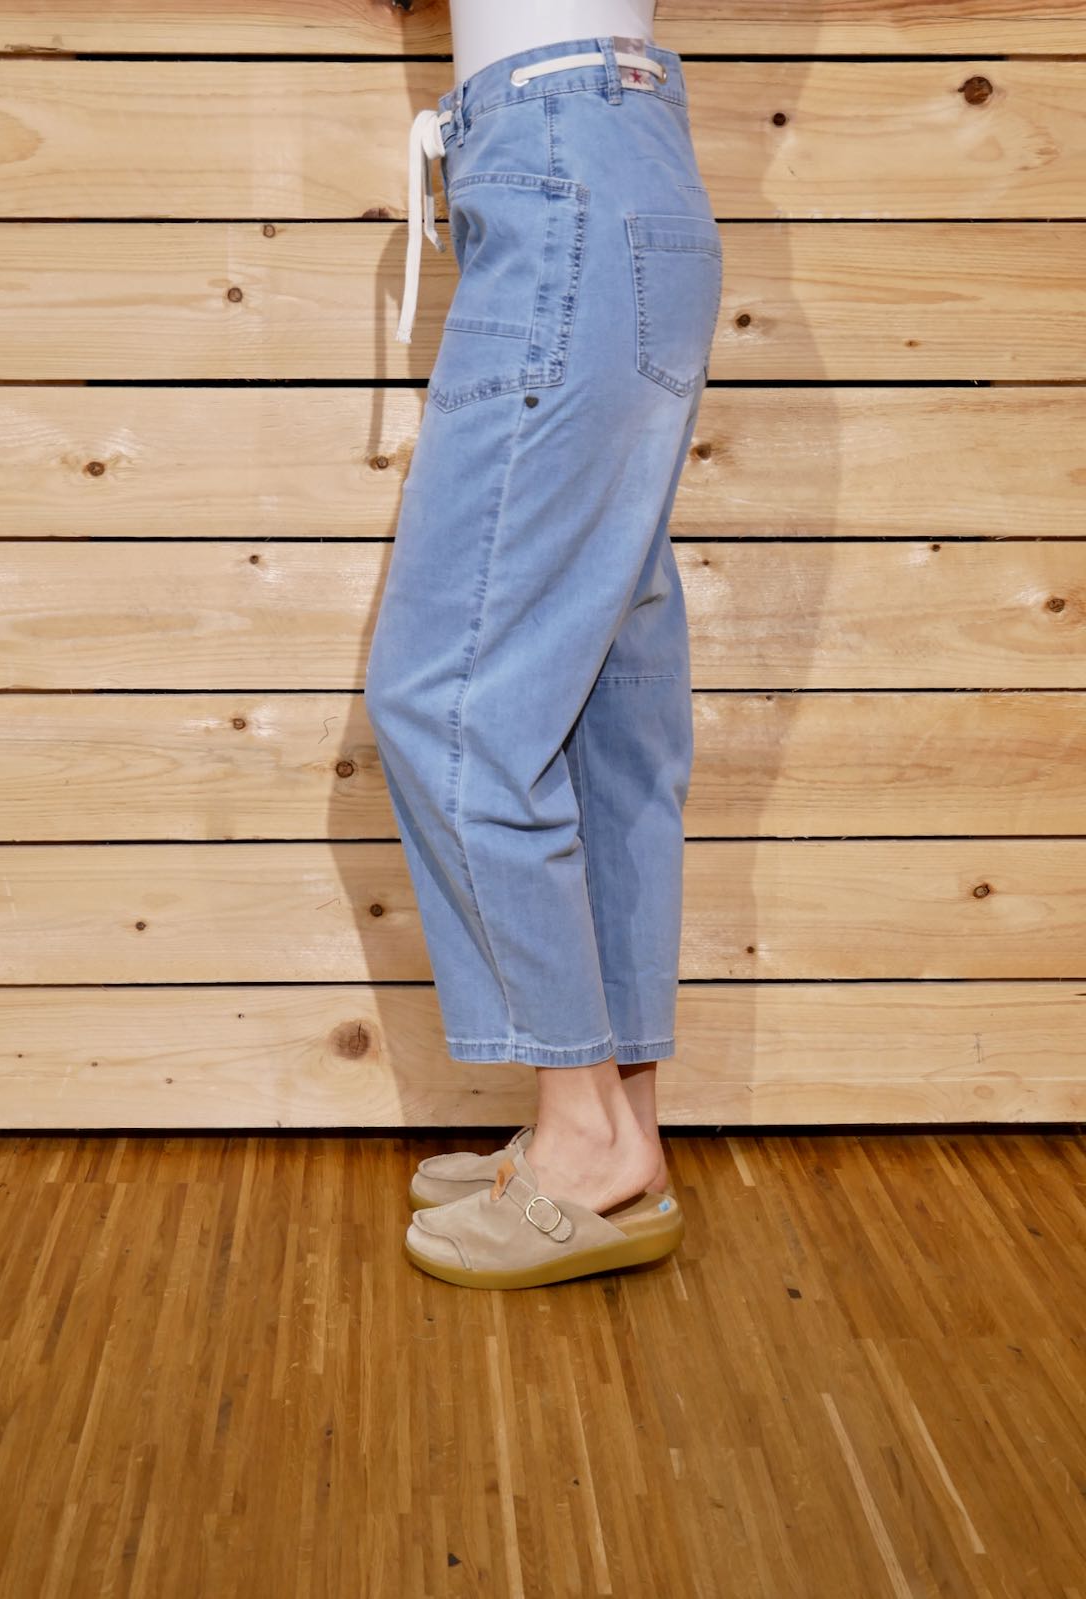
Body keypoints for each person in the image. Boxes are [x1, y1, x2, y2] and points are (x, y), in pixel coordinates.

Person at [365, 6, 723, 1289]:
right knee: (600, 700)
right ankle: (623, 1133)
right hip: (617, 156)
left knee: (453, 701)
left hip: (562, 160)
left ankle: (582, 1142)